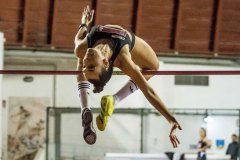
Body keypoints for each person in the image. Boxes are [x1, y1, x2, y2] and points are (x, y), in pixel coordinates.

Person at [74, 6, 182, 146]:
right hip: (126, 43)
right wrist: (171, 119)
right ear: (105, 62)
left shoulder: (82, 49)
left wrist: (84, 23)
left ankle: (89, 107)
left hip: (96, 42)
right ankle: (110, 101)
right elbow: (148, 91)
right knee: (153, 68)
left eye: (85, 67)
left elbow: (79, 36)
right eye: (91, 66)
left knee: (79, 53)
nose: (85, 62)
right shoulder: (123, 59)